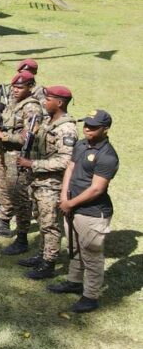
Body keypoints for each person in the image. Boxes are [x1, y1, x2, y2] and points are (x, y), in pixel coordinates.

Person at [47, 109, 118, 313]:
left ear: (105, 129)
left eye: (93, 127)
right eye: (86, 124)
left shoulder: (107, 156)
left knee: (92, 255)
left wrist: (70, 203)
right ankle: (74, 281)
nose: (87, 128)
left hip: (92, 213)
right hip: (72, 206)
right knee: (75, 248)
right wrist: (64, 197)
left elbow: (97, 188)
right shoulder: (81, 144)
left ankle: (90, 296)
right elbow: (69, 168)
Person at [13, 85, 78, 274]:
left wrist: (32, 164)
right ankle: (41, 254)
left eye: (48, 99)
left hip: (53, 184)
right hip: (39, 182)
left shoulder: (66, 129)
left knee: (50, 224)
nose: (44, 102)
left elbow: (66, 160)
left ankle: (48, 263)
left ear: (59, 103)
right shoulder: (48, 122)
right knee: (41, 219)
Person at [0, 71, 44, 243]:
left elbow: (27, 138)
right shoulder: (13, 103)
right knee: (3, 191)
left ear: (30, 87)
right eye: (14, 86)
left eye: (20, 87)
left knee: (20, 196)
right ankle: (3, 224)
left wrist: (2, 136)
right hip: (4, 154)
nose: (15, 90)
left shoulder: (32, 108)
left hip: (17, 157)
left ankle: (22, 236)